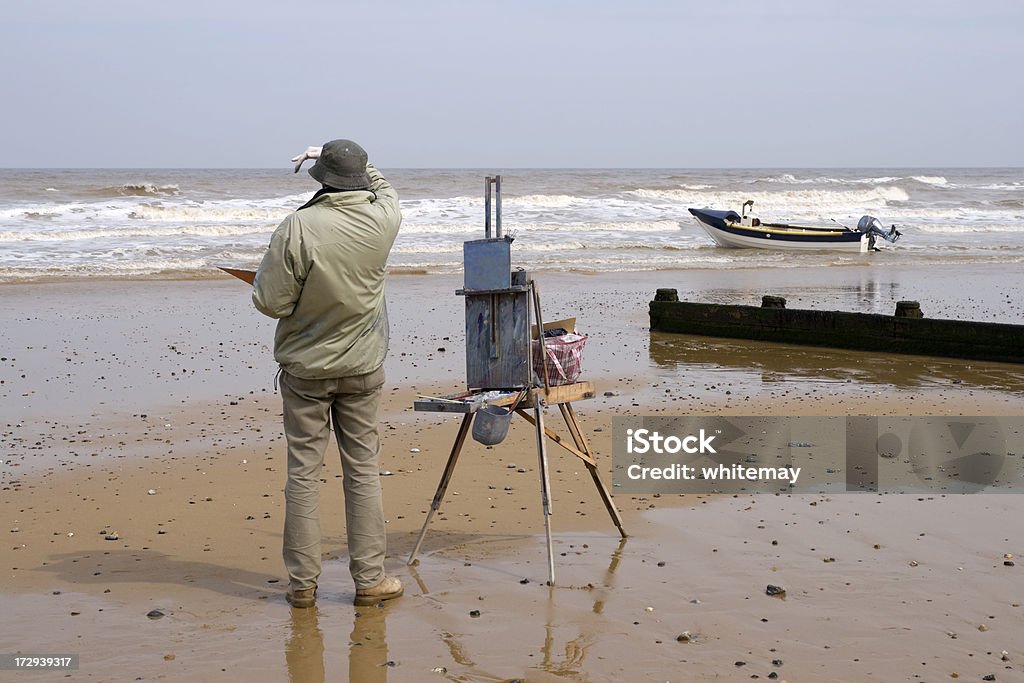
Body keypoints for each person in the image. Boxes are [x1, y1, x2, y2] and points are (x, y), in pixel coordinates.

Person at [252, 139, 403, 608]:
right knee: (363, 472)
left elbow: (271, 302)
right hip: (363, 366)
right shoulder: (384, 219)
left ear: (321, 180)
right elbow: (384, 186)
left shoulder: (298, 226)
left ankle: (302, 585)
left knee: (303, 474)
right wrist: (345, 156)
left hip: (307, 371)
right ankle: (370, 580)